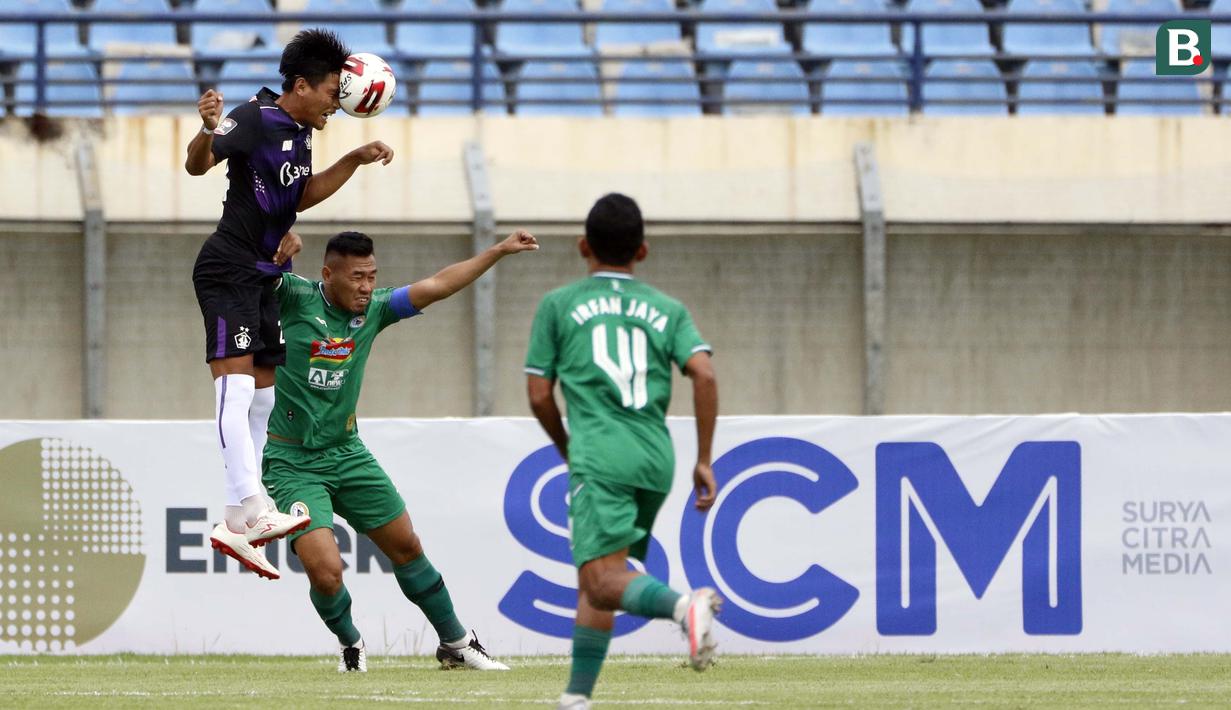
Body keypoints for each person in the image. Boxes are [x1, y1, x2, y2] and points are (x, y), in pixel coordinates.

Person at [264, 229, 538, 672]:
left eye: (372, 276)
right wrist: (276, 256)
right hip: (293, 463)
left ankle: (457, 643)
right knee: (326, 570)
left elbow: (439, 284)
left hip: (347, 453)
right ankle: (351, 643)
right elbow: (247, 279)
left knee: (407, 546)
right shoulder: (294, 297)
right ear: (328, 273)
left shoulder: (373, 310)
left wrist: (498, 250)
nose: (366, 287)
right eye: (357, 277)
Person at [184, 28, 395, 579]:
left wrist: (352, 158)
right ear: (301, 84)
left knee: (262, 397)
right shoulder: (255, 116)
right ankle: (252, 504)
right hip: (228, 268)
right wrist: (207, 131)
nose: (338, 102)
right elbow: (196, 164)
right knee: (232, 388)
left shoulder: (301, 132)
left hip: (265, 275)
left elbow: (297, 196)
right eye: (332, 92)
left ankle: (234, 520)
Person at [524, 193, 722, 710]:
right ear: (644, 252)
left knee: (602, 577)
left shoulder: (559, 304)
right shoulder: (669, 309)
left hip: (601, 453)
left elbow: (539, 394)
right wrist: (704, 457)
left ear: (582, 246)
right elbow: (703, 373)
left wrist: (568, 447)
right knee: (603, 577)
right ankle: (576, 697)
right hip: (656, 457)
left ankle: (685, 608)